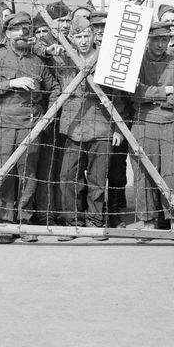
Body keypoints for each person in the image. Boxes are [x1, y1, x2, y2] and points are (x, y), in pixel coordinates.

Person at [0, 12, 60, 243]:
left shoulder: (37, 60)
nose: (23, 33)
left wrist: (49, 114)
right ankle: (6, 223)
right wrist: (11, 83)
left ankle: (25, 221)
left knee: (28, 174)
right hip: (4, 125)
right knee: (4, 174)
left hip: (31, 125)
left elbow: (54, 87)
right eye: (17, 29)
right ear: (7, 34)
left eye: (27, 29)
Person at [54, 16, 123, 240]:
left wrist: (118, 128)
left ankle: (95, 222)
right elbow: (38, 44)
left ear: (94, 35)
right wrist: (49, 48)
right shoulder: (63, 59)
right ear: (71, 38)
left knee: (97, 179)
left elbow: (119, 97)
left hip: (102, 126)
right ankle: (72, 221)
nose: (83, 41)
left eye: (87, 35)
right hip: (73, 126)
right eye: (78, 37)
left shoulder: (107, 59)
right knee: (68, 177)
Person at [131, 21, 174, 231]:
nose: (160, 44)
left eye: (164, 40)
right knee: (144, 174)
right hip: (144, 124)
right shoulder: (137, 63)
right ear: (148, 40)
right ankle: (147, 220)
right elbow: (135, 93)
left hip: (171, 123)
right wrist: (167, 90)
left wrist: (161, 100)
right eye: (156, 39)